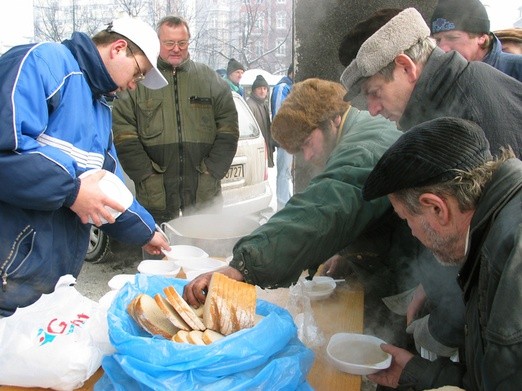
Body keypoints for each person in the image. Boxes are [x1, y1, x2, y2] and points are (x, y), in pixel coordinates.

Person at [338, 6, 522, 361]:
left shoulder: (467, 110)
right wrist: (431, 282)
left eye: (375, 92)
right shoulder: (456, 89)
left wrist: (441, 330)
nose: (372, 109)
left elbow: (488, 248)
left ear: (407, 67)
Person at [183, 79, 418, 338]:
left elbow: (324, 207)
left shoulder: (364, 148)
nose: (306, 156)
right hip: (391, 270)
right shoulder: (357, 131)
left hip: (409, 284)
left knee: (393, 358)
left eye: (307, 142)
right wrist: (348, 251)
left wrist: (243, 265)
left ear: (334, 120)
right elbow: (361, 208)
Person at [0, 17, 171, 317]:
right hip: (8, 276)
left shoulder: (99, 108)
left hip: (49, 283)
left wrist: (147, 232)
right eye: (139, 73)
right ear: (119, 48)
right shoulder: (45, 64)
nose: (134, 85)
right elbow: (6, 150)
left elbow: (106, 186)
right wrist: (72, 191)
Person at [362, 116, 522, 390]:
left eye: (406, 219)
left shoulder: (510, 260)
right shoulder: (494, 228)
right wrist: (415, 373)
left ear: (437, 208)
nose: (411, 231)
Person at [112, 16, 239, 224]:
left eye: (182, 42)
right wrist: (147, 176)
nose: (176, 48)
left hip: (203, 195)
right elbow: (124, 136)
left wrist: (212, 171)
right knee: (159, 253)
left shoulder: (209, 80)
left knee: (207, 254)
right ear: (157, 42)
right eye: (169, 43)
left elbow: (229, 130)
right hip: (156, 197)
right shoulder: (139, 80)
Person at [430, 0, 522, 81]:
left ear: (482, 37)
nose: (442, 48)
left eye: (452, 38)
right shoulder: (440, 77)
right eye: (438, 40)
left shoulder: (517, 68)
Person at [271, 64, 294, 210]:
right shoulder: (283, 87)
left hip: (291, 137)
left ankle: (286, 199)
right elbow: (279, 113)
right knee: (284, 172)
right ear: (292, 72)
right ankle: (282, 203)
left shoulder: (290, 86)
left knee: (287, 171)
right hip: (286, 138)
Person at [246, 74, 275, 167]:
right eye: (259, 89)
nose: (262, 91)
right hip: (255, 150)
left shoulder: (264, 105)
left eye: (264, 88)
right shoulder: (250, 105)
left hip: (263, 148)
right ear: (254, 90)